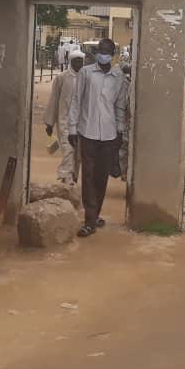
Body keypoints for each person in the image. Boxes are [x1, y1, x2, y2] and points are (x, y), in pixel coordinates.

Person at [68, 37, 128, 237]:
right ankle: (89, 220)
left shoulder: (118, 76)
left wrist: (120, 130)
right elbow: (77, 100)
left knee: (101, 176)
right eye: (101, 51)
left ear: (113, 55)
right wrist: (72, 128)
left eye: (108, 52)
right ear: (96, 53)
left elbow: (120, 105)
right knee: (88, 175)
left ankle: (95, 214)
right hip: (87, 131)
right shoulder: (86, 73)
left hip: (109, 134)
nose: (104, 54)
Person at [44, 51, 84, 184]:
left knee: (78, 152)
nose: (78, 63)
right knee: (68, 148)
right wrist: (50, 123)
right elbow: (54, 99)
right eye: (76, 60)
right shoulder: (61, 78)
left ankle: (74, 175)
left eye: (80, 60)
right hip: (64, 120)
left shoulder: (86, 77)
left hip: (81, 122)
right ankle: (65, 174)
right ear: (71, 61)